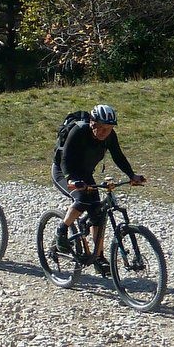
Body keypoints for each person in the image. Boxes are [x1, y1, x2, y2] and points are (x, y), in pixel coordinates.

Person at [51, 103, 145, 275]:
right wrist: (70, 179)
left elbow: (118, 156)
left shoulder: (109, 136)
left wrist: (132, 175)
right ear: (92, 122)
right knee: (82, 199)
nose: (104, 133)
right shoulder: (79, 131)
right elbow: (65, 160)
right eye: (101, 128)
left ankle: (98, 257)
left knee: (97, 212)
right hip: (63, 172)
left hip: (85, 174)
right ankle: (62, 230)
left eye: (108, 129)